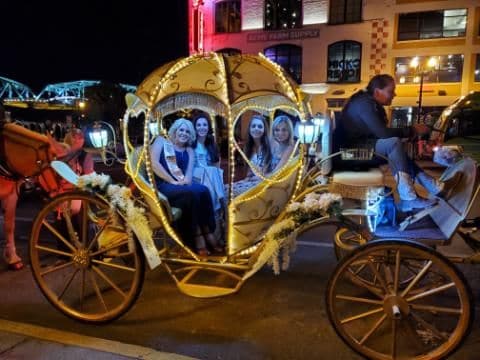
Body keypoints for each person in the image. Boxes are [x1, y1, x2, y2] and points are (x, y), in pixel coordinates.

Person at [340, 74, 460, 211]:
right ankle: (409, 198)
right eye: (390, 91)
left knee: (397, 151)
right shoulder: (364, 104)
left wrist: (412, 134)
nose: (394, 94)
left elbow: (379, 137)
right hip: (348, 154)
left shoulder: (369, 103)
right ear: (378, 92)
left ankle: (435, 187)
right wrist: (412, 130)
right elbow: (383, 134)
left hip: (357, 150)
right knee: (393, 144)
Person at [150, 118, 222, 256]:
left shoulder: (189, 150)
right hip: (164, 185)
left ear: (191, 135)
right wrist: (171, 180)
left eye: (188, 132)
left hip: (181, 184)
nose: (184, 133)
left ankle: (207, 231)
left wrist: (183, 182)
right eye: (181, 130)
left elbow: (188, 176)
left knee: (203, 190)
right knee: (192, 194)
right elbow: (154, 164)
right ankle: (196, 236)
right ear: (175, 130)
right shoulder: (161, 141)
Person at [232, 114, 272, 197]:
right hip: (252, 182)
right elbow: (249, 173)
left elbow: (268, 173)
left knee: (231, 194)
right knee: (225, 189)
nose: (256, 129)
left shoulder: (269, 147)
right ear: (249, 129)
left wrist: (256, 178)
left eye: (260, 126)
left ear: (264, 130)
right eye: (253, 126)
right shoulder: (248, 148)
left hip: (265, 184)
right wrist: (246, 179)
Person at [192, 114, 225, 213]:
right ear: (195, 127)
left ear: (208, 127)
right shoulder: (191, 143)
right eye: (199, 125)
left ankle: (215, 210)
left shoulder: (211, 145)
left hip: (209, 177)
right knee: (211, 171)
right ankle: (222, 201)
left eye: (204, 125)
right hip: (194, 175)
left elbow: (217, 166)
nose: (202, 127)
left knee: (213, 172)